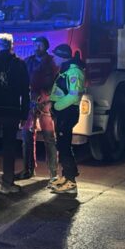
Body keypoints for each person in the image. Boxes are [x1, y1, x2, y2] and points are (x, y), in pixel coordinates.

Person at [0, 33, 30, 194]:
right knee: (9, 147)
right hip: (12, 112)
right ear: (12, 45)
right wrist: (24, 114)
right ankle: (7, 184)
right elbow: (25, 91)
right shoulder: (20, 65)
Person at [17, 36, 59, 182]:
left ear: (46, 47)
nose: (36, 47)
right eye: (35, 44)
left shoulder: (52, 63)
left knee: (49, 137)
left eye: (39, 45)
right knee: (26, 135)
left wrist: (45, 96)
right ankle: (28, 169)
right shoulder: (28, 61)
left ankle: (53, 173)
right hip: (30, 102)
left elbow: (55, 83)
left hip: (46, 103)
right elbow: (22, 80)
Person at [48, 44, 85, 195]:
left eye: (56, 56)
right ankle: (66, 177)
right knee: (62, 145)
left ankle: (70, 182)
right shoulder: (66, 70)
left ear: (63, 57)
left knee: (64, 147)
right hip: (63, 113)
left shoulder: (74, 72)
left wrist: (57, 106)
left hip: (66, 113)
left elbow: (74, 95)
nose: (53, 58)